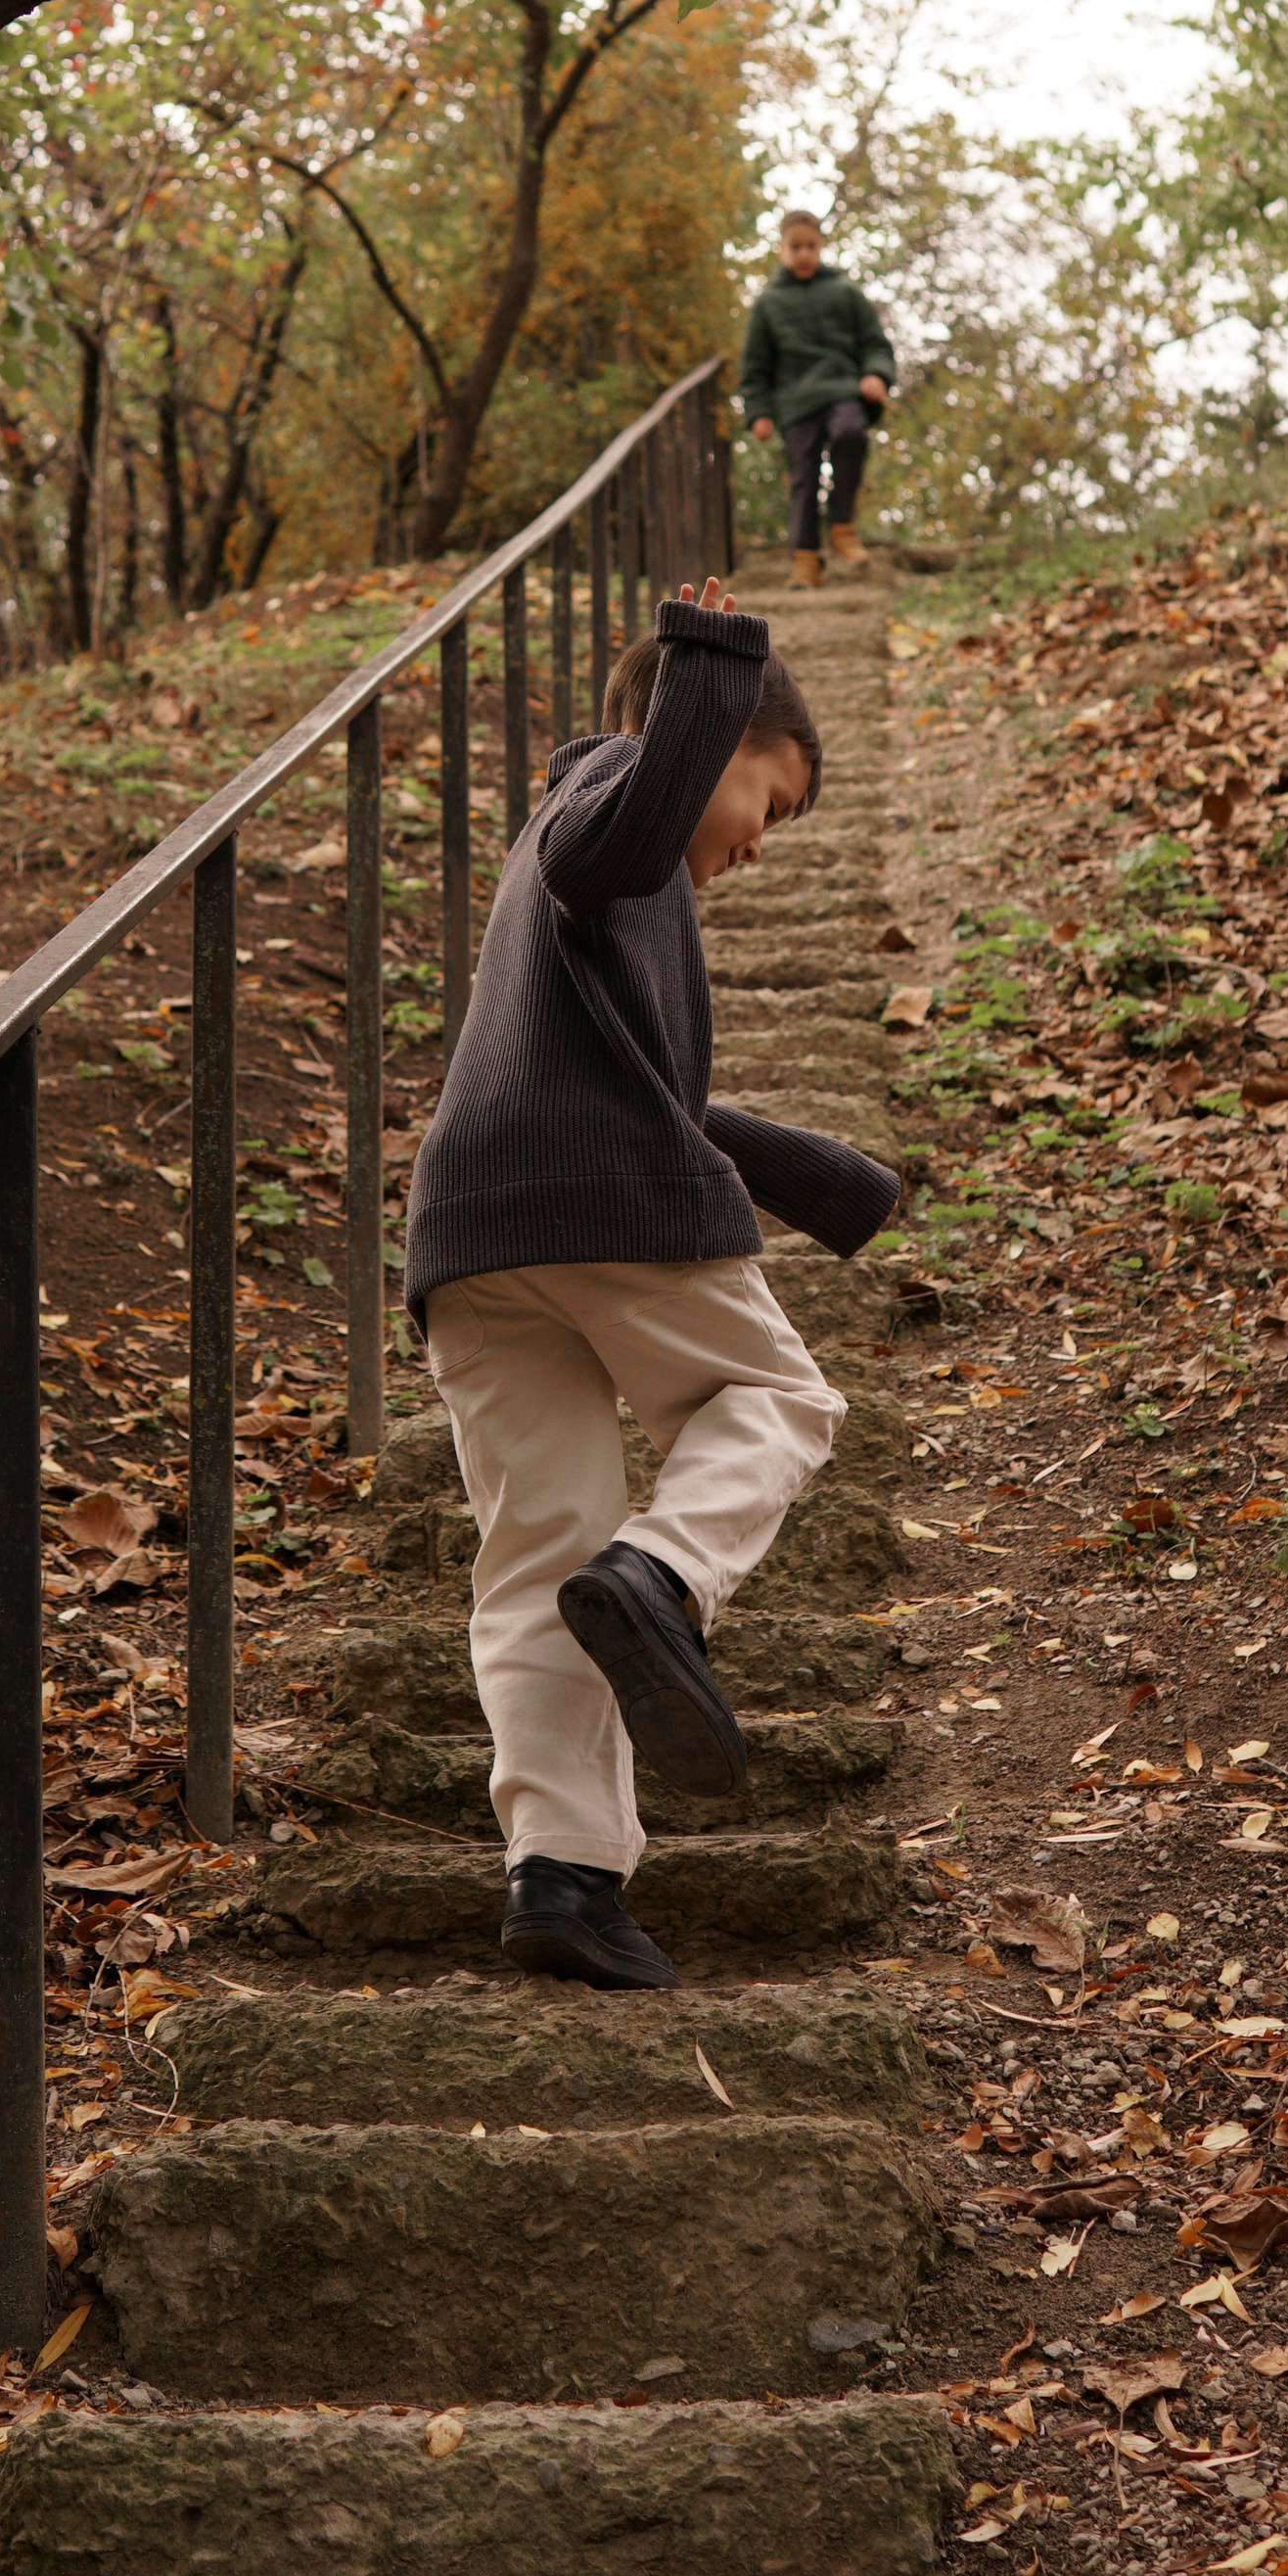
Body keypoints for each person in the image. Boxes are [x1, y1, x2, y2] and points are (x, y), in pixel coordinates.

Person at [402, 578, 900, 1991]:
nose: (760, 848)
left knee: (536, 1553)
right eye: (772, 804)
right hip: (601, 1204)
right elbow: (621, 827)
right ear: (715, 736)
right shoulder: (608, 801)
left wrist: (830, 1182)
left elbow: (659, 1093)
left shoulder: (589, 895)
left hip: (478, 1241)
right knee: (779, 1399)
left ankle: (561, 1875)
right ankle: (666, 1573)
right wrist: (713, 660)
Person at [738, 208, 896, 589]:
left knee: (849, 434)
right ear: (782, 249)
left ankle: (842, 527)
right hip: (795, 405)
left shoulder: (844, 293)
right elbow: (755, 366)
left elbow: (875, 344)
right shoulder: (768, 304)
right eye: (796, 246)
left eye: (811, 246)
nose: (804, 253)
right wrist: (759, 411)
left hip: (843, 391)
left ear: (822, 246)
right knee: (804, 480)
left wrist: (876, 374)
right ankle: (805, 562)